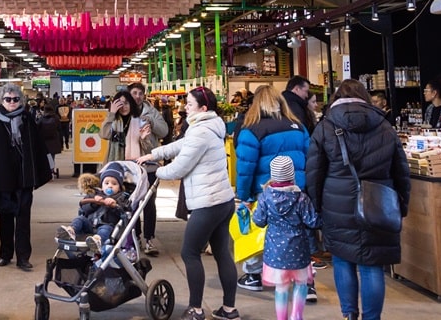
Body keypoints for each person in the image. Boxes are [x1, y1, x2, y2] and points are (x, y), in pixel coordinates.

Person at [306, 79, 411, 320]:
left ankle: (349, 315)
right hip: (378, 204)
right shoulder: (385, 126)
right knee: (372, 265)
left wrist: (317, 205)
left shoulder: (325, 126)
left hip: (337, 203)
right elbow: (401, 171)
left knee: (343, 260)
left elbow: (314, 172)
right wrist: (401, 204)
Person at [137, 86, 237, 320]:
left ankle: (196, 309)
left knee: (189, 252)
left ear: (203, 108)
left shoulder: (200, 132)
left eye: (190, 103)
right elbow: (180, 145)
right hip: (223, 200)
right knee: (222, 253)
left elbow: (181, 166)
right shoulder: (207, 126)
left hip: (208, 203)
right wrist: (154, 154)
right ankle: (230, 310)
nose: (185, 106)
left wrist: (157, 171)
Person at [233, 86, 311, 298]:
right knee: (297, 234)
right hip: (297, 191)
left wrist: (243, 195)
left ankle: (254, 276)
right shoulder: (298, 127)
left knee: (257, 232)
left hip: (265, 190)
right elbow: (310, 157)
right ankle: (304, 279)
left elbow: (245, 167)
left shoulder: (252, 129)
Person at [0, 82, 53, 271]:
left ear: (21, 100)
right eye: (8, 99)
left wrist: (43, 169)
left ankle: (23, 257)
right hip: (2, 178)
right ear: (1, 100)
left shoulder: (28, 120)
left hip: (24, 178)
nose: (12, 103)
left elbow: (39, 146)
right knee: (6, 218)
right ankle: (5, 255)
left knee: (23, 219)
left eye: (16, 99)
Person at [251, 156, 320, 320]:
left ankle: (281, 318)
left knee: (281, 288)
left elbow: (259, 221)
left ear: (273, 175)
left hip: (276, 252)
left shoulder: (265, 197)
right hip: (299, 250)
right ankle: (297, 316)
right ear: (292, 175)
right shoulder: (301, 198)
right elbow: (312, 221)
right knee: (301, 283)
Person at [128, 81, 169, 256]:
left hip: (150, 164)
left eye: (140, 93)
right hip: (131, 165)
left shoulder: (152, 112)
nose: (137, 96)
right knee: (133, 202)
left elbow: (165, 132)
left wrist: (151, 121)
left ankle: (149, 239)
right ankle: (134, 236)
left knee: (149, 203)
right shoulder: (124, 111)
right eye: (134, 93)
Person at [57, 162, 132, 251]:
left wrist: (114, 205)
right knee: (79, 219)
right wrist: (93, 203)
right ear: (101, 185)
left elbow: (124, 212)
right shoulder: (94, 194)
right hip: (89, 223)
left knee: (105, 229)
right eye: (106, 183)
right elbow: (84, 208)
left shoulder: (121, 197)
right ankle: (71, 231)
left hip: (106, 224)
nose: (110, 186)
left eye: (114, 184)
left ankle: (97, 240)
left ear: (119, 187)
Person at [36, 101, 63, 179]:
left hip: (44, 141)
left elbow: (37, 128)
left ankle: (45, 171)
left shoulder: (42, 118)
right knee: (51, 157)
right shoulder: (56, 118)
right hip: (53, 140)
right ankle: (51, 170)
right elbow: (59, 129)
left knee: (45, 156)